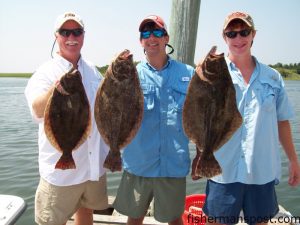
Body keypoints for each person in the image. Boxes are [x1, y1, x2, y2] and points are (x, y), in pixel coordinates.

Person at [199, 11, 300, 225]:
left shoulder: (273, 77)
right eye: (232, 33)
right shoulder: (210, 74)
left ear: (253, 34)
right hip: (222, 169)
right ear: (224, 37)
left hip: (261, 170)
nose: (238, 39)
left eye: (244, 32)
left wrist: (293, 159)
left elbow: (282, 121)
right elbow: (196, 115)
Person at [24, 12, 109, 225]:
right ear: (56, 36)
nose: (72, 36)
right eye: (65, 32)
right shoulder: (45, 72)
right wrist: (55, 91)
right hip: (59, 172)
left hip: (92, 166)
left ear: (83, 35)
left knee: (86, 211)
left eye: (77, 31)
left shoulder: (92, 70)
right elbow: (36, 109)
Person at [113, 15, 195, 225]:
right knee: (135, 217)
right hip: (138, 161)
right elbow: (113, 109)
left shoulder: (189, 74)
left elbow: (202, 114)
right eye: (146, 33)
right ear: (141, 41)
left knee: (175, 218)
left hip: (174, 163)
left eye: (158, 32)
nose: (152, 38)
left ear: (166, 38)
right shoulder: (130, 74)